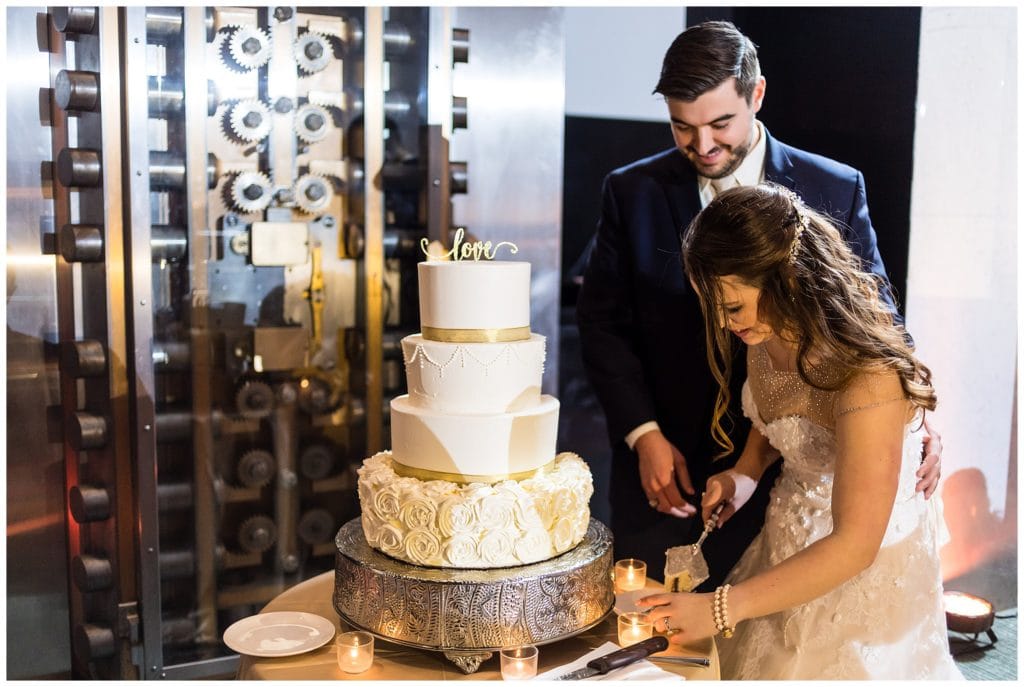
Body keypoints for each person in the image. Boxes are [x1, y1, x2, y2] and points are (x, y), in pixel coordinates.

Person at [575, 20, 943, 585]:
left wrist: (910, 417)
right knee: (653, 640)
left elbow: (875, 314)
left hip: (792, 466)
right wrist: (643, 433)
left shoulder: (835, 186)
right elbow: (602, 322)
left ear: (757, 94)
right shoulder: (631, 191)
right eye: (682, 127)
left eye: (721, 122)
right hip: (667, 469)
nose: (703, 146)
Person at [636, 184, 962, 679]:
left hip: (861, 557)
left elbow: (855, 544)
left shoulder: (866, 376)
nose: (726, 325)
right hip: (790, 526)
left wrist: (719, 608)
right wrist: (744, 474)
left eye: (732, 307)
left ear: (786, 278)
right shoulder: (765, 330)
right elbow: (783, 421)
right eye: (717, 309)